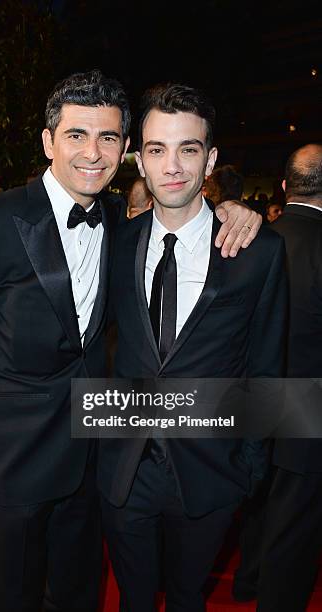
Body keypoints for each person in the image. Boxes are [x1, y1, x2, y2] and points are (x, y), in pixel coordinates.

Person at [0, 70, 262, 612]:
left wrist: (233, 210)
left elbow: (183, 221)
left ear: (125, 150)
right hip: (14, 454)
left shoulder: (118, 223)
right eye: (76, 135)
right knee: (15, 594)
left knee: (80, 591)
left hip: (95, 451)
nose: (92, 152)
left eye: (107, 137)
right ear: (47, 141)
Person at [98, 83, 287, 612]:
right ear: (139, 158)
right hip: (123, 464)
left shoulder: (257, 250)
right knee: (133, 600)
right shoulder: (118, 240)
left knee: (187, 598)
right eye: (157, 149)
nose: (173, 165)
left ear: (211, 158)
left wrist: (249, 469)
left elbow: (267, 367)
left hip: (210, 471)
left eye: (189, 148)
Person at [233, 143, 322, 612]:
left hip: (248, 398)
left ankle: (246, 580)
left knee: (256, 500)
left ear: (285, 188)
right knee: (296, 521)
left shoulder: (249, 241)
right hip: (309, 406)